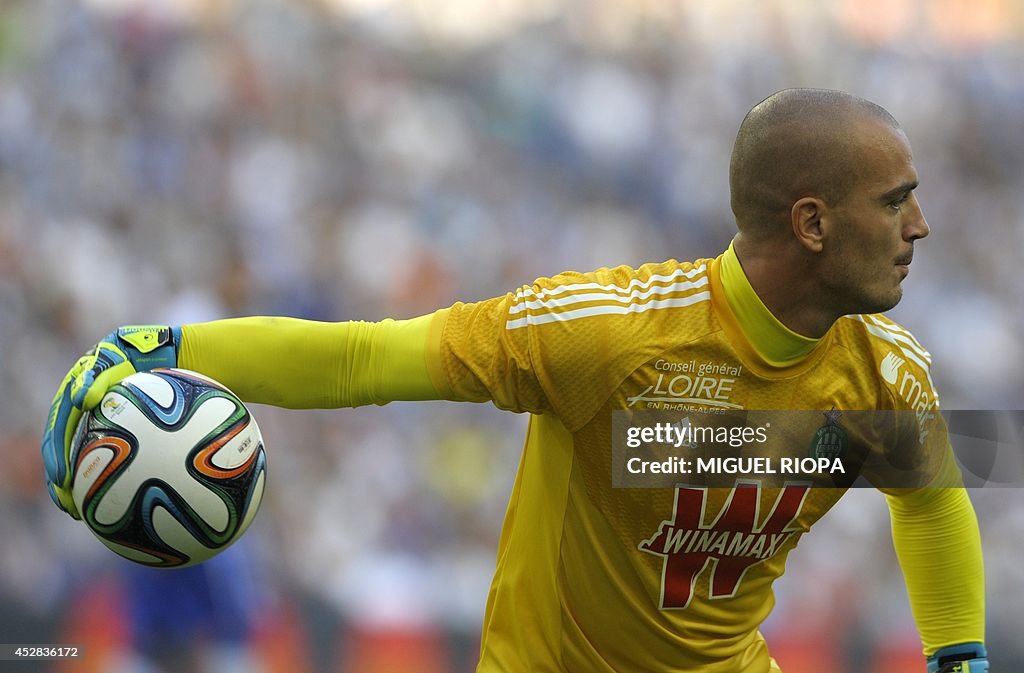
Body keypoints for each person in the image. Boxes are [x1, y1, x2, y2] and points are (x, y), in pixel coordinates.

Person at [42, 89, 987, 672]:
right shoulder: (602, 334)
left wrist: (958, 653)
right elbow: (364, 357)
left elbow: (935, 495)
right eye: (896, 201)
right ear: (813, 223)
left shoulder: (888, 375)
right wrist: (162, 345)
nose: (920, 228)